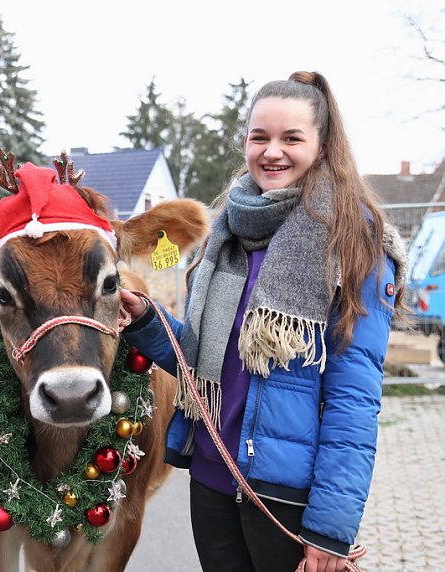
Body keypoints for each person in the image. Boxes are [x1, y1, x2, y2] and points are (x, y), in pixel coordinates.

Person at [120, 71, 407, 572]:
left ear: (322, 146)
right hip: (211, 477)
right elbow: (198, 359)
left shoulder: (353, 244)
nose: (272, 152)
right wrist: (147, 320)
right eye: (260, 137)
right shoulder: (226, 234)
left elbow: (354, 401)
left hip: (284, 495)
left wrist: (331, 529)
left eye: (291, 138)